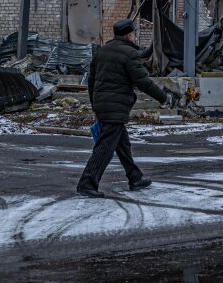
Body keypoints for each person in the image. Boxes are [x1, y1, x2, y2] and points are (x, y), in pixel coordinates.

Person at [77, 18, 179, 198]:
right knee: (105, 147)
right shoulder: (129, 54)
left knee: (122, 145)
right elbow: (143, 82)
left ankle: (135, 177)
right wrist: (163, 98)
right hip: (115, 107)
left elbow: (91, 81)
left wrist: (95, 105)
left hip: (103, 104)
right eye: (134, 33)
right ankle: (87, 183)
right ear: (129, 35)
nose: (134, 36)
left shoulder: (102, 51)